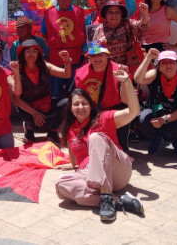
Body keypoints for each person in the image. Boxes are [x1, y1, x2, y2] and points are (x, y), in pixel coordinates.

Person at [55, 70, 144, 222]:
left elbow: (134, 111)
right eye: (76, 104)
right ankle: (117, 201)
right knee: (61, 185)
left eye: (84, 103)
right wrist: (72, 165)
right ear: (70, 108)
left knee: (95, 137)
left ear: (91, 105)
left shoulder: (103, 118)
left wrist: (127, 82)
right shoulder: (70, 129)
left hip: (117, 171)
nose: (80, 107)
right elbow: (75, 161)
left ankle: (106, 194)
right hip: (91, 175)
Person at [72, 40, 131, 151]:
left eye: (100, 55)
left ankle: (121, 147)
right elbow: (77, 97)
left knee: (125, 110)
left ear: (107, 55)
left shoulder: (119, 70)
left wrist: (124, 80)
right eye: (93, 56)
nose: (96, 58)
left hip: (113, 110)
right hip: (91, 110)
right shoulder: (81, 73)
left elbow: (126, 101)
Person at [134, 49, 177, 156]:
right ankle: (157, 137)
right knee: (142, 119)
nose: (168, 65)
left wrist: (164, 120)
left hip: (175, 116)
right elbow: (138, 79)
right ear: (159, 66)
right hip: (156, 114)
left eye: (171, 62)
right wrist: (148, 58)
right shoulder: (155, 74)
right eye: (164, 62)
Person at [10, 39, 70, 144]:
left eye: (34, 50)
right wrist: (34, 113)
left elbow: (66, 74)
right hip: (27, 109)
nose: (31, 54)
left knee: (67, 103)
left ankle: (53, 130)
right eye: (28, 51)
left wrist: (67, 61)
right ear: (22, 53)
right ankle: (28, 127)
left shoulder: (45, 66)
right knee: (31, 118)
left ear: (38, 53)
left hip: (45, 104)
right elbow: (17, 99)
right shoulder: (16, 69)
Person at [42, 0, 86, 99]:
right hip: (56, 59)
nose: (65, 0)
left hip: (75, 58)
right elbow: (44, 33)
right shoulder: (48, 13)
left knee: (75, 91)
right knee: (56, 92)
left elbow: (84, 33)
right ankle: (56, 114)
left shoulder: (79, 12)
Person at [92, 0, 149, 75]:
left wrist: (144, 13)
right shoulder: (99, 30)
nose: (114, 15)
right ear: (105, 14)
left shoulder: (127, 24)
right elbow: (94, 52)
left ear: (121, 14)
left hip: (129, 69)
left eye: (117, 12)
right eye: (110, 12)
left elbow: (142, 26)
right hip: (109, 70)